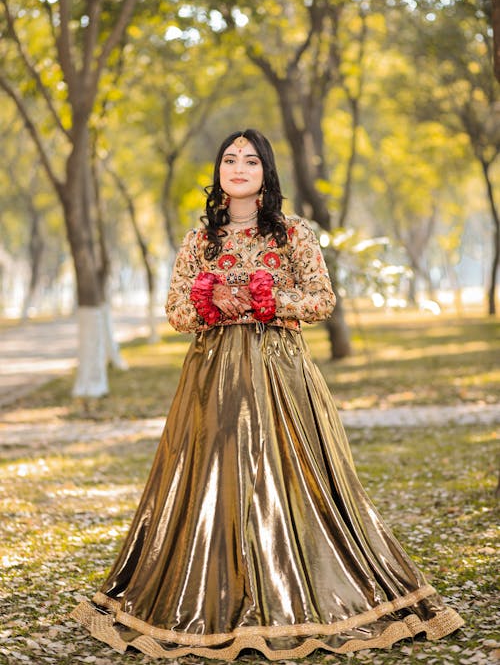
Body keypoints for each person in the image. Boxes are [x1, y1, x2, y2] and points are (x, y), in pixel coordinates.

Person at [70, 129, 464, 660]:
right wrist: (211, 301)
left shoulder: (293, 234)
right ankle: (216, 593)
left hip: (280, 375)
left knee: (289, 477)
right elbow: (177, 312)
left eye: (250, 160)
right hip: (211, 381)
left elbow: (322, 299)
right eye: (229, 159)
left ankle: (298, 589)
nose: (238, 166)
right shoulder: (199, 240)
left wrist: (265, 298)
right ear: (218, 172)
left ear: (265, 172)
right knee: (214, 480)